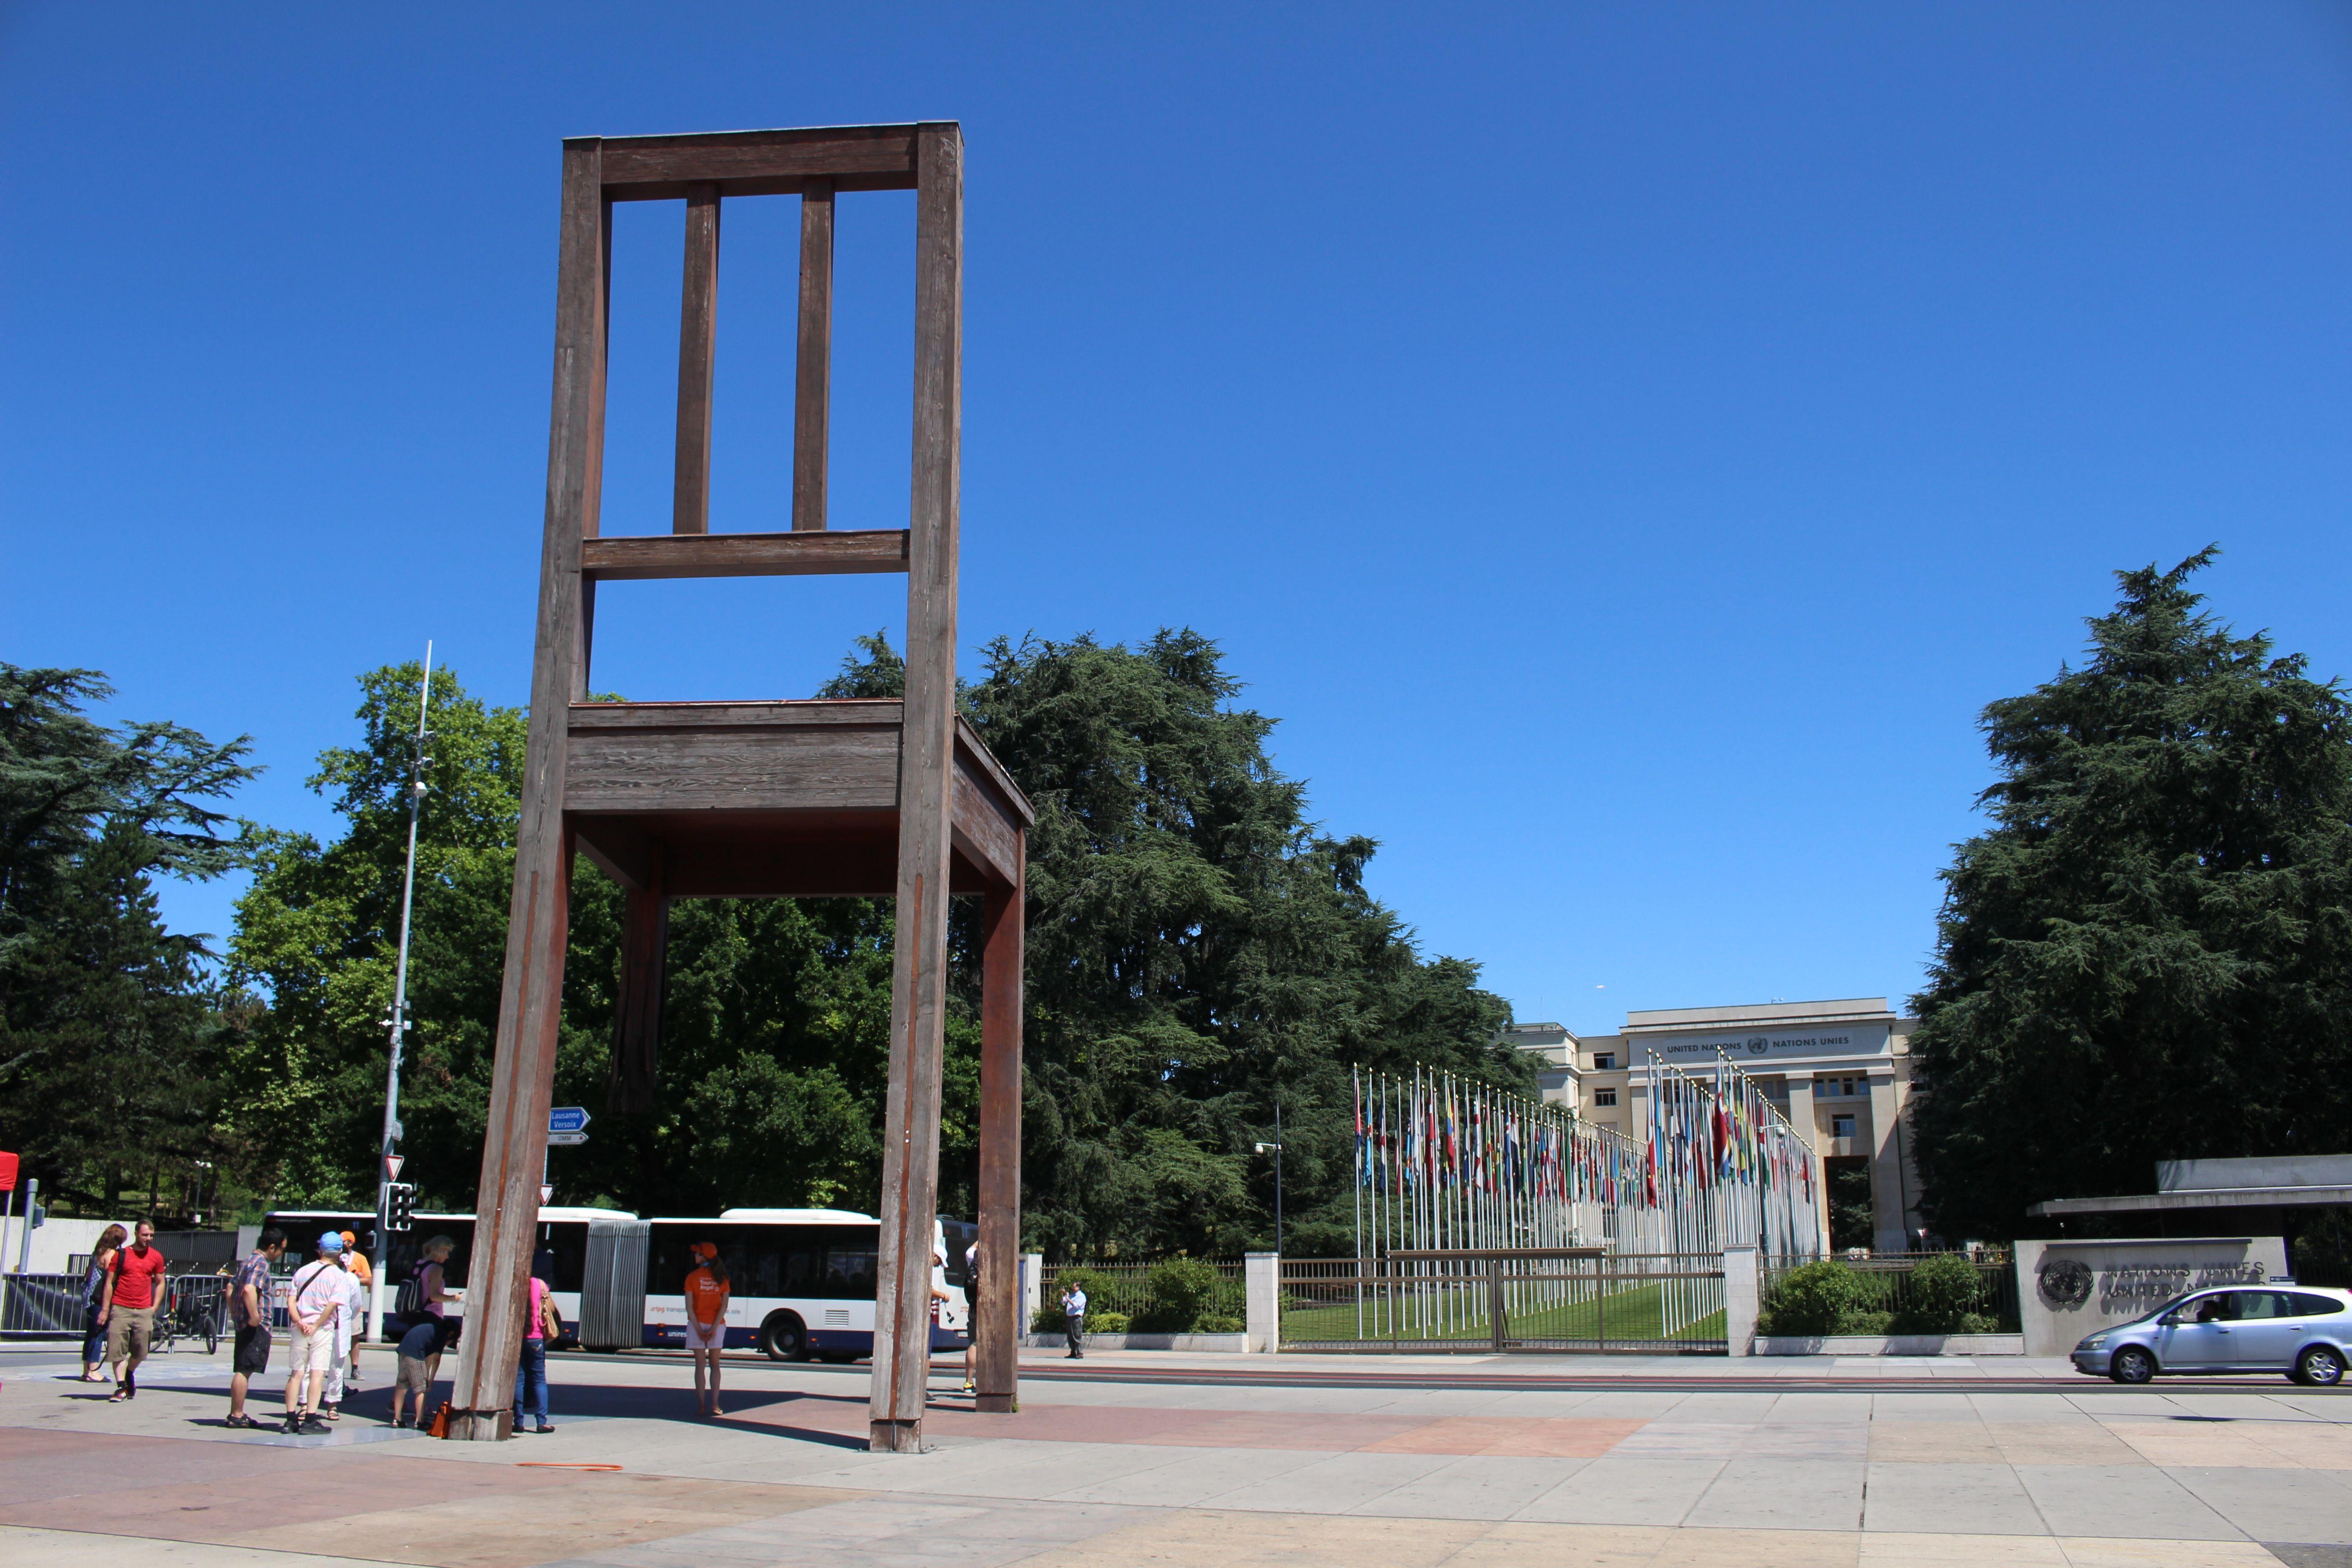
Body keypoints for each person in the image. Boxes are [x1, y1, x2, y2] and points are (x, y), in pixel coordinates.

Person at [283, 1232, 346, 1434]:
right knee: (317, 1374)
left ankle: (291, 1419)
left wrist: (299, 1322)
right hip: (322, 1329)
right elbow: (332, 1305)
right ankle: (310, 1420)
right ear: (340, 1252)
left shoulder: (302, 1271)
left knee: (296, 1374)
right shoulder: (338, 1276)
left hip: (300, 1329)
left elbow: (291, 1300)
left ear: (320, 1250)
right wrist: (317, 1324)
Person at [99, 1220, 170, 1401]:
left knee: (140, 1351)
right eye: (145, 1235)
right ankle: (122, 1387)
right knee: (117, 1349)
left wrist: (154, 1307)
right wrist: (105, 1310)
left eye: (152, 1236)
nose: (149, 1239)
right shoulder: (121, 1255)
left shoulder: (156, 1257)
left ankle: (129, 1372)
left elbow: (161, 1282)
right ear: (137, 1234)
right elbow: (109, 1283)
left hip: (144, 1309)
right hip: (120, 1307)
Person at [225, 1227, 286, 1428]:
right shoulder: (261, 1264)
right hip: (254, 1326)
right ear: (272, 1248)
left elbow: (231, 1288)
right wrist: (254, 1317)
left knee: (243, 1368)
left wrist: (236, 1314)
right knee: (245, 1370)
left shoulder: (248, 1261)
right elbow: (249, 1289)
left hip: (243, 1323)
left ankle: (236, 1412)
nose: (281, 1255)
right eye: (281, 1250)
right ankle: (237, 1414)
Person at [320, 1242, 368, 1420]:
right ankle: (332, 1406)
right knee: (336, 1368)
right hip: (339, 1327)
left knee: (314, 1368)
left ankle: (305, 1406)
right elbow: (355, 1305)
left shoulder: (311, 1272)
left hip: (318, 1327)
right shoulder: (349, 1278)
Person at [512, 1265, 561, 1434]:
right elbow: (552, 1309)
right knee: (539, 1379)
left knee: (519, 1379)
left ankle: (518, 1422)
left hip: (517, 1338)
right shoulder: (539, 1284)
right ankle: (541, 1422)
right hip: (536, 1337)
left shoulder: (514, 1284)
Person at [683, 1241, 730, 1417]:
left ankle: (701, 1405)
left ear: (704, 1257)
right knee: (716, 1365)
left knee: (700, 1366)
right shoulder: (723, 1278)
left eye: (698, 1254)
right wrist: (713, 1329)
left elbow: (689, 1307)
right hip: (717, 1325)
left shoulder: (692, 1277)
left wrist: (700, 1330)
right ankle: (716, 1404)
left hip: (697, 1324)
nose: (695, 1256)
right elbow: (724, 1306)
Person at [79, 1224, 127, 1382]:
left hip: (89, 1296)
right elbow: (110, 1278)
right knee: (98, 1334)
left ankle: (87, 1370)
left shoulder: (97, 1253)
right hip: (100, 1298)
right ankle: (93, 1370)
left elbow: (88, 1275)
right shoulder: (111, 1254)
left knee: (90, 1334)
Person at [388, 1313, 449, 1429]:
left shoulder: (430, 1329)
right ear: (451, 1334)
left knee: (402, 1385)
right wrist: (430, 1380)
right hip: (415, 1356)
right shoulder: (441, 1335)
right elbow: (436, 1359)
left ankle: (397, 1419)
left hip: (403, 1352)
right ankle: (419, 1421)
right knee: (421, 1389)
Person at [338, 1231, 372, 1382]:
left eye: (343, 1242)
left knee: (354, 1337)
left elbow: (369, 1280)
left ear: (350, 1243)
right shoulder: (335, 1258)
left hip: (353, 1305)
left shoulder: (360, 1258)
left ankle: (355, 1368)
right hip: (336, 1304)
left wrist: (354, 1280)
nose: (340, 1245)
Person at [959, 1239, 981, 1395]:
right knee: (981, 1344)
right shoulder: (994, 1259)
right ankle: (988, 1380)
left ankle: (969, 1382)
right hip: (989, 1309)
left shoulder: (974, 1259)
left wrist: (980, 1240)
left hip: (974, 1307)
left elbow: (969, 1250)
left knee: (973, 1343)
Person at [1060, 1280, 1087, 1360]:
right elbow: (1063, 1301)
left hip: (1076, 1318)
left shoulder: (1081, 1296)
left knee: (1077, 1335)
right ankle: (1073, 1352)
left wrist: (1068, 1299)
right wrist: (1063, 1294)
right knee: (1070, 1336)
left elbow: (1076, 1306)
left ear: (1078, 1287)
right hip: (1070, 1317)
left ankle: (1080, 1353)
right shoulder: (1072, 1295)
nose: (1073, 1288)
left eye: (1074, 1286)